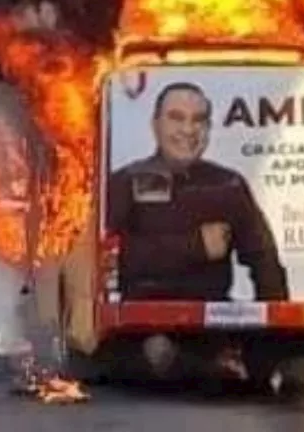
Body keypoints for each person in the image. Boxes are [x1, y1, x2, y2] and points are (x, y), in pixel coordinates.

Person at [106, 81, 289, 302]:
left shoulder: (228, 184)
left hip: (213, 328)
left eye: (199, 120)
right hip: (141, 327)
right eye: (176, 118)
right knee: (157, 340)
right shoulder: (125, 182)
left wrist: (276, 331)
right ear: (156, 125)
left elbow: (265, 263)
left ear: (209, 128)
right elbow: (106, 261)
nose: (188, 130)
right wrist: (194, 246)